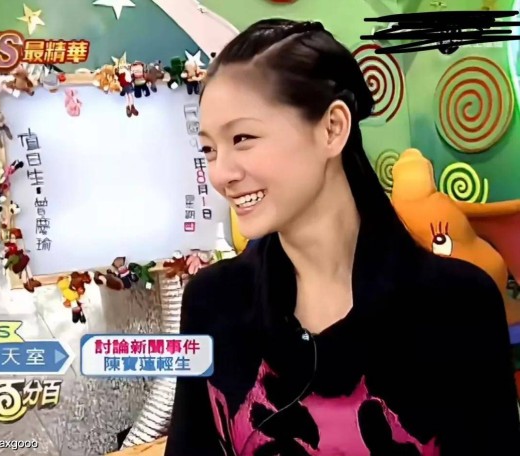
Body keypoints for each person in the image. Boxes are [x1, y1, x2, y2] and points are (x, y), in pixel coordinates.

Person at [164, 19, 520, 456]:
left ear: (332, 128)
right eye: (209, 149)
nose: (221, 174)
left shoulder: (459, 305)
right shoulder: (212, 301)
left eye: (243, 138)